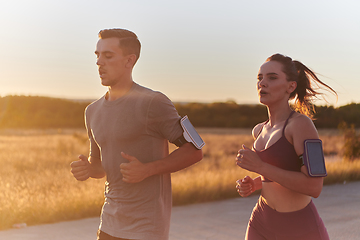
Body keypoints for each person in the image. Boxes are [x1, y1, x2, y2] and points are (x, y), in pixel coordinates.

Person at [70, 28, 203, 240]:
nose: (99, 62)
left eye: (108, 55)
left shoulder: (153, 102)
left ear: (129, 60)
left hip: (146, 229)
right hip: (108, 224)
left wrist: (147, 169)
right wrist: (87, 169)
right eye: (97, 55)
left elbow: (195, 151)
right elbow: (99, 167)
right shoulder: (92, 111)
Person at [235, 53, 336, 240]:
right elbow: (278, 173)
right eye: (260, 78)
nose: (262, 83)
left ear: (291, 86)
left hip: (301, 229)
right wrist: (255, 183)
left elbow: (314, 187)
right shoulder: (258, 130)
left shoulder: (301, 125)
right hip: (261, 222)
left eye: (272, 78)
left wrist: (260, 167)